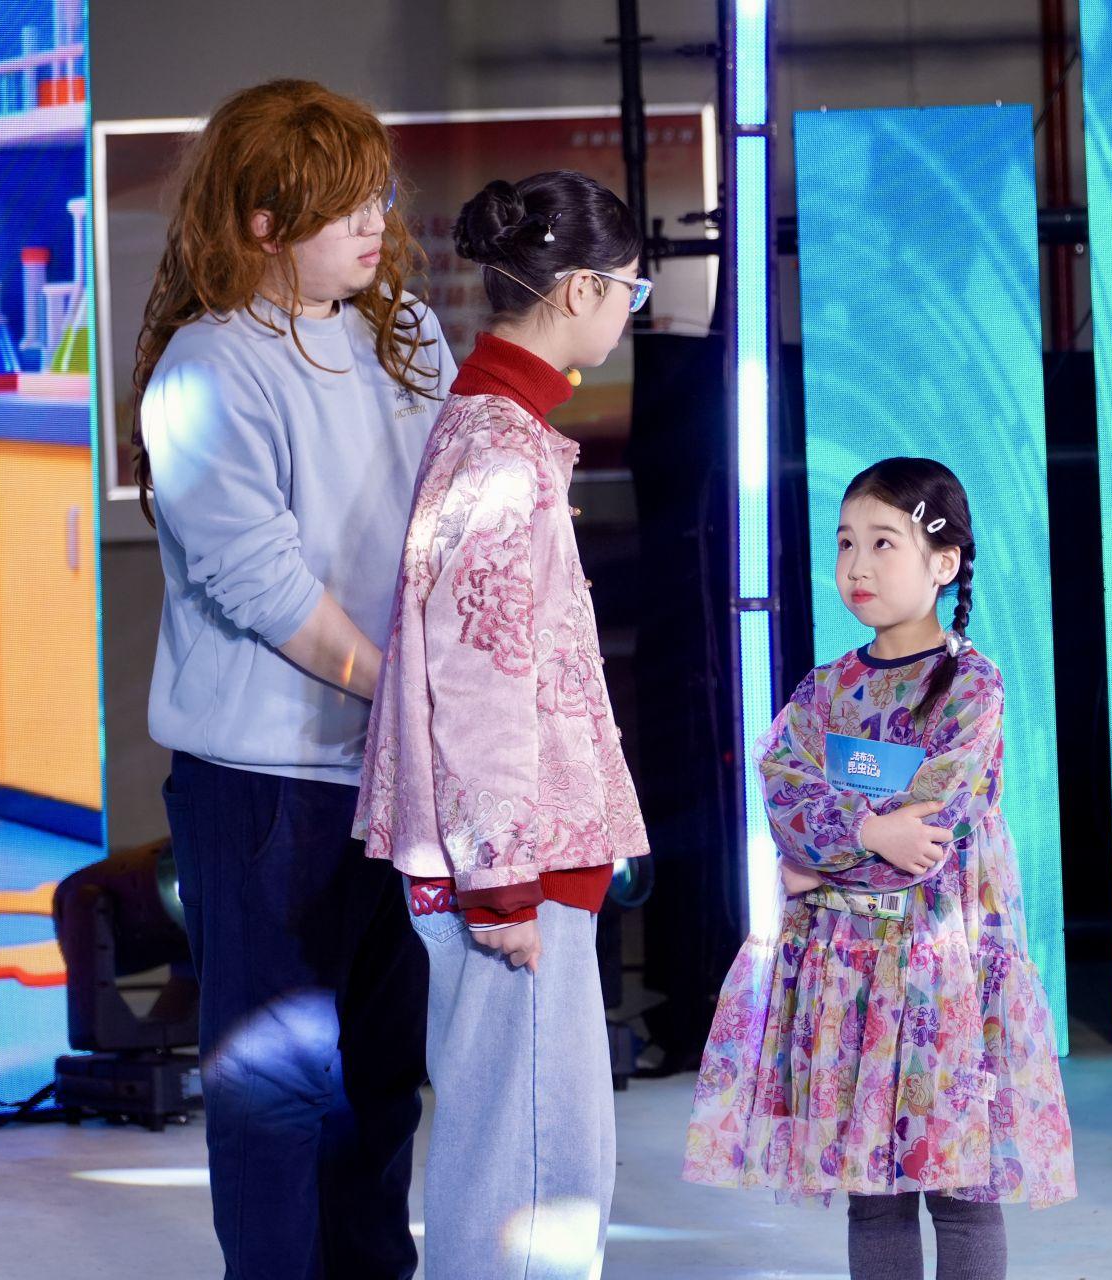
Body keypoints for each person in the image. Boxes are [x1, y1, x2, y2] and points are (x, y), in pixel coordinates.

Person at [132, 79, 453, 1278]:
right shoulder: (208, 369)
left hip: (395, 770)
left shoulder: (406, 331)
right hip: (265, 789)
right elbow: (267, 592)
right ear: (262, 222)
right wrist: (414, 693)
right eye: (343, 204)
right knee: (276, 1097)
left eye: (378, 194)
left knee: (381, 1085)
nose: (377, 222)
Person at [355, 169, 652, 1280]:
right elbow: (478, 682)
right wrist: (502, 881)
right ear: (579, 289)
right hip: (512, 872)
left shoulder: (499, 430)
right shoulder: (500, 448)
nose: (630, 311)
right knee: (531, 1171)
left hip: (517, 863)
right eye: (629, 288)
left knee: (526, 1157)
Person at [684, 457, 1076, 1280]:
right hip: (847, 975)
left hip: (941, 973)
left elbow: (930, 835)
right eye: (845, 543)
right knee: (872, 1191)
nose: (857, 565)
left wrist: (820, 866)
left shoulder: (971, 687)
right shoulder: (826, 689)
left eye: (883, 543)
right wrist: (867, 829)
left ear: (944, 562)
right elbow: (784, 789)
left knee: (960, 1185)